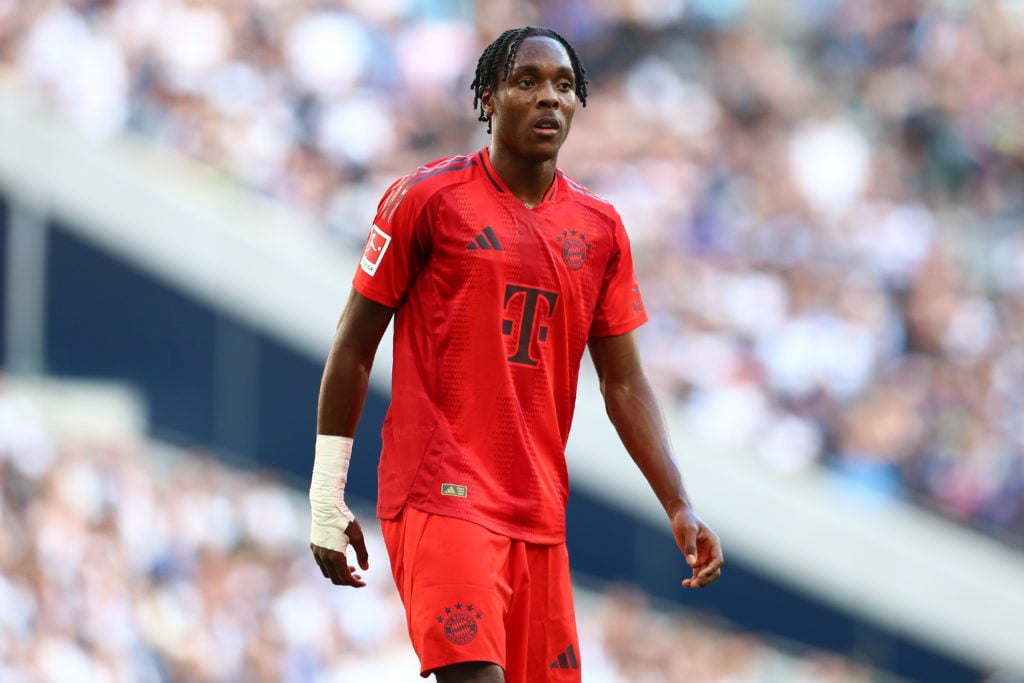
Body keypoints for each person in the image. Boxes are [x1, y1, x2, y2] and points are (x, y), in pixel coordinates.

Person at [308, 26, 724, 683]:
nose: (548, 98)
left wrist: (677, 500)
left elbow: (624, 382)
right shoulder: (426, 199)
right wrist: (326, 493)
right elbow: (355, 342)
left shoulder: (600, 227)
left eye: (563, 85)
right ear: (487, 99)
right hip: (440, 493)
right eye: (527, 81)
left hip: (538, 514)